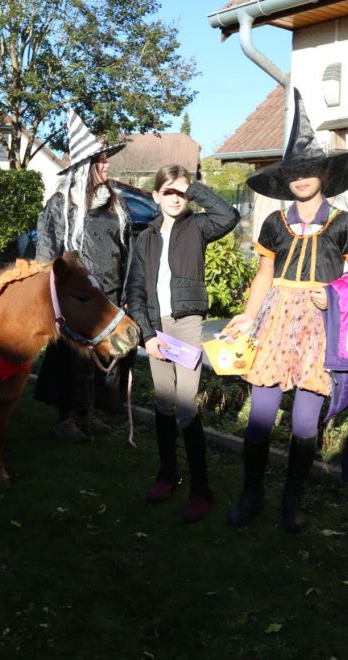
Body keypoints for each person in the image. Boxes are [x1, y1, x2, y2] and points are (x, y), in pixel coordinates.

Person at [220, 89, 348, 533]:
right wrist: (249, 316)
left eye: (309, 170)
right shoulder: (274, 223)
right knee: (260, 419)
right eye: (293, 173)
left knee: (305, 424)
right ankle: (251, 495)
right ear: (285, 180)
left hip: (320, 327)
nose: (301, 178)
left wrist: (336, 296)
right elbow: (264, 274)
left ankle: (293, 501)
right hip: (274, 323)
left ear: (325, 174)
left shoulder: (344, 223)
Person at [124, 165, 240, 522]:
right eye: (168, 192)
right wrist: (146, 336)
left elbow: (229, 216)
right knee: (163, 404)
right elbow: (135, 290)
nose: (175, 198)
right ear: (156, 195)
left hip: (187, 324)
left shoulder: (198, 226)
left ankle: (201, 489)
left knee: (186, 407)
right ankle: (168, 474)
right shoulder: (145, 238)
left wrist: (194, 188)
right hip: (156, 329)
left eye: (181, 192)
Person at [34, 107, 131, 443]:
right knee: (71, 360)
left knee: (102, 359)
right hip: (76, 299)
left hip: (109, 294)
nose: (106, 166)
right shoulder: (61, 205)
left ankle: (87, 413)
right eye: (100, 161)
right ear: (85, 167)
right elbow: (47, 252)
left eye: (106, 160)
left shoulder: (115, 205)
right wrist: (49, 296)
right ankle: (66, 418)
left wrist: (125, 292)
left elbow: (125, 250)